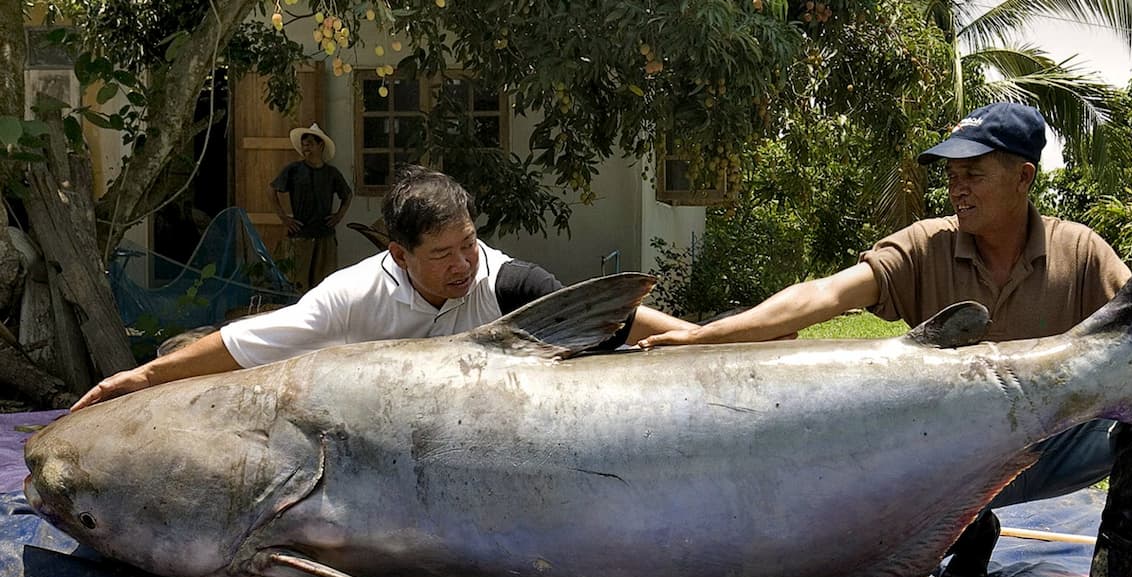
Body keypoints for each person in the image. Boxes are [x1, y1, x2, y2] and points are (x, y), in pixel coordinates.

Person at [639, 102, 1132, 577]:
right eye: (951, 173)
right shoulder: (924, 247)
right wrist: (706, 335)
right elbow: (821, 297)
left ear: (1022, 177)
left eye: (973, 172)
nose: (957, 186)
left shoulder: (1080, 251)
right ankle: (963, 534)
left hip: (1056, 444)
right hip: (941, 460)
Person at [74, 166, 695, 412]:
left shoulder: (506, 282)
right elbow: (245, 345)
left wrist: (705, 339)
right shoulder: (349, 299)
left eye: (469, 243)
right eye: (442, 254)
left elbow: (608, 316)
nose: (463, 264)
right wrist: (148, 379)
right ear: (398, 254)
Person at [269, 123, 354, 292]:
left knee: (324, 283)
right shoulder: (294, 170)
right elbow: (272, 189)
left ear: (320, 145)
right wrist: (284, 217)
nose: (306, 148)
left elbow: (347, 195)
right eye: (304, 145)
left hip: (325, 235)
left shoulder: (331, 173)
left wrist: (339, 216)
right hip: (301, 235)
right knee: (298, 283)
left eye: (309, 144)